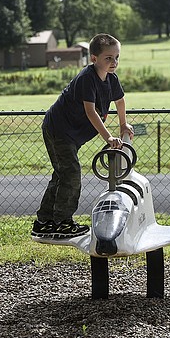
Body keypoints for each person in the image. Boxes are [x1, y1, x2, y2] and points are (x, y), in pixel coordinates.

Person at [32, 33, 134, 239]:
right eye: (108, 58)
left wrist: (123, 124)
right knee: (70, 174)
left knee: (62, 174)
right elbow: (91, 112)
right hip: (59, 129)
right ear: (94, 59)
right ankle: (63, 223)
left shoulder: (111, 79)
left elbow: (120, 101)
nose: (114, 62)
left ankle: (44, 222)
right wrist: (108, 137)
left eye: (116, 57)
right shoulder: (87, 78)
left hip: (70, 133)